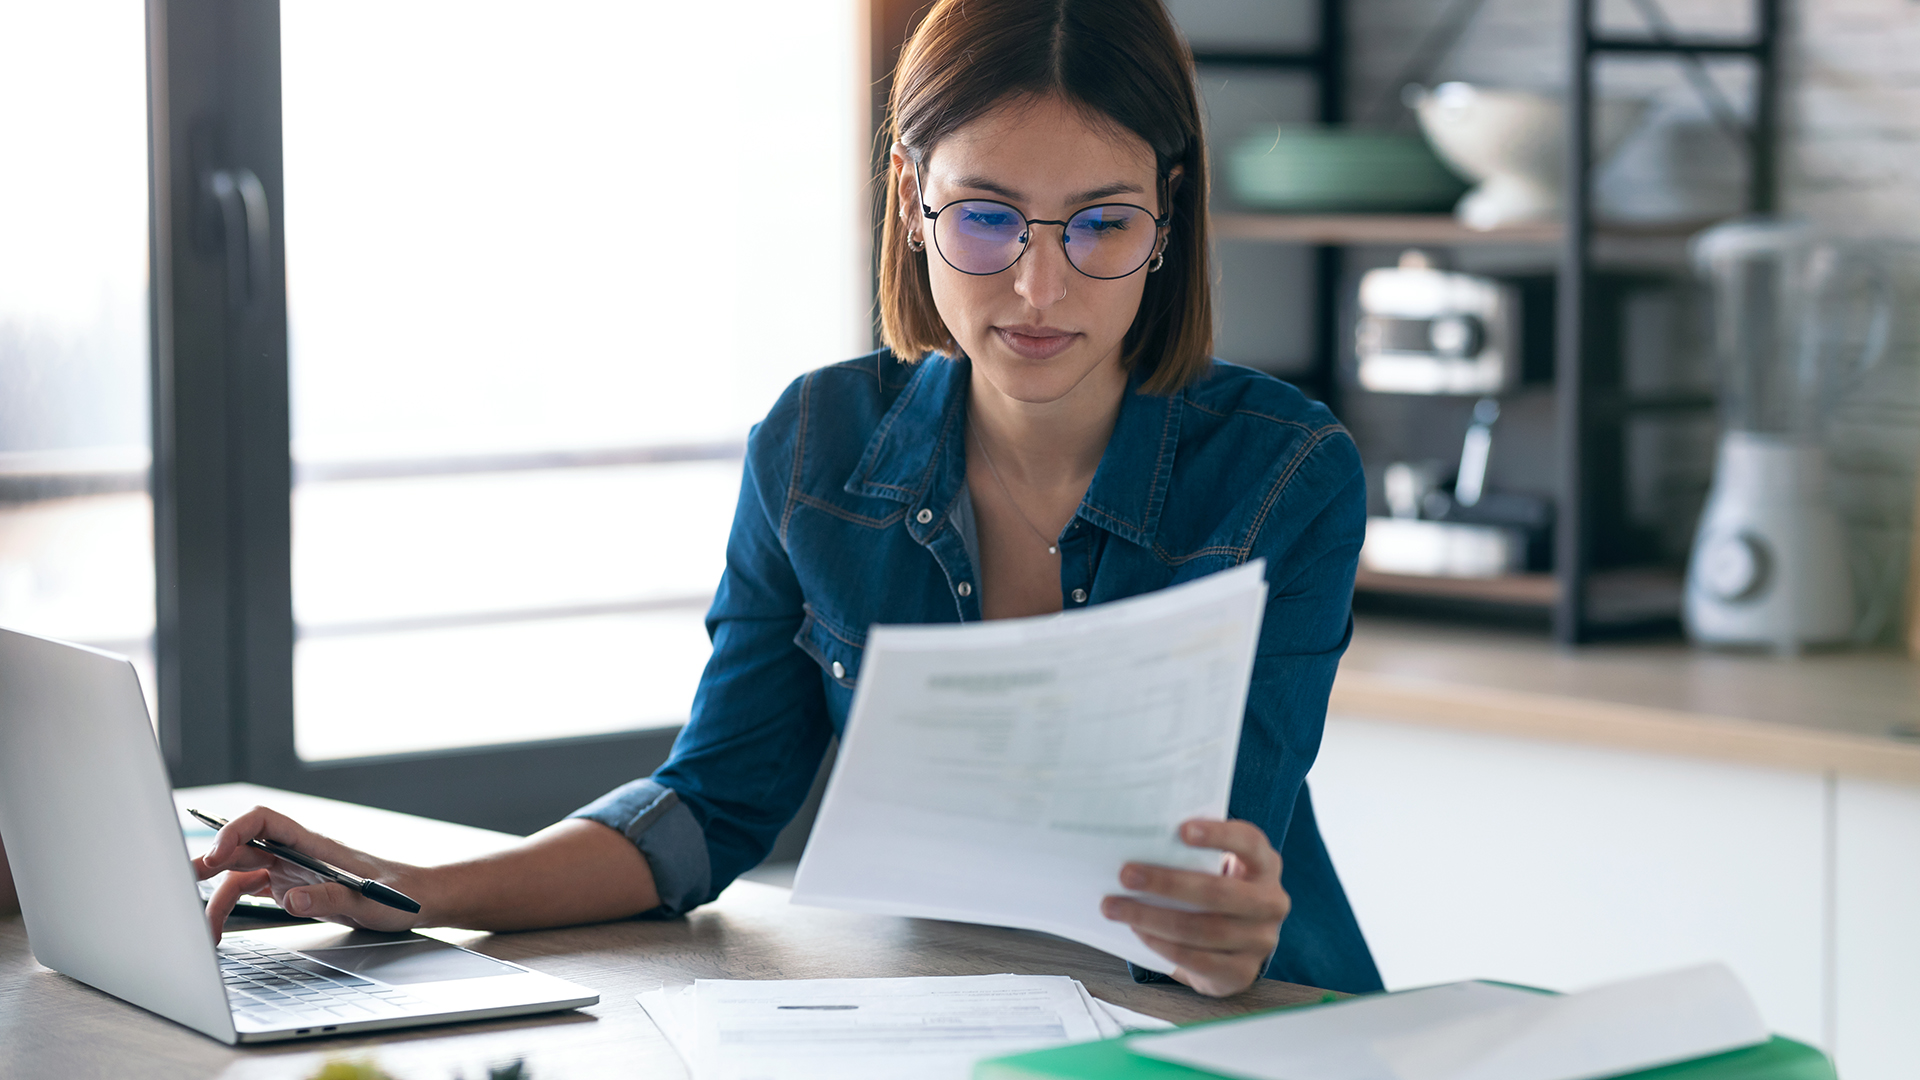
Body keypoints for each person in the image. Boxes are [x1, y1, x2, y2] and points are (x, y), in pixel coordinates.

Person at [197, 0, 1383, 999]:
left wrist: (1229, 931)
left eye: (1101, 224)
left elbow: (1229, 864)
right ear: (912, 195)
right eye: (984, 217)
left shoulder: (1285, 473)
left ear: (1167, 215)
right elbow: (707, 809)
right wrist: (413, 892)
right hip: (951, 1021)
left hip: (1248, 1025)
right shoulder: (816, 447)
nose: (1038, 284)